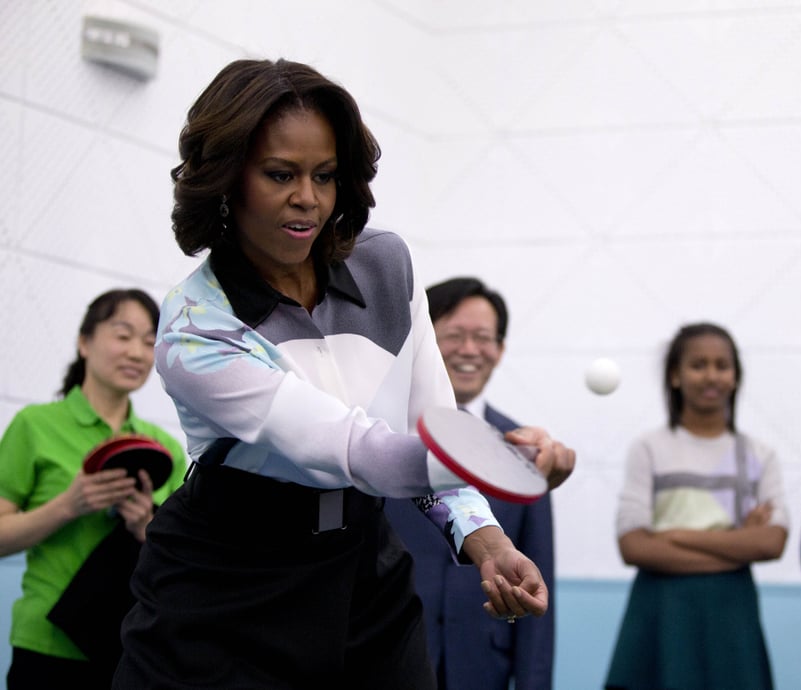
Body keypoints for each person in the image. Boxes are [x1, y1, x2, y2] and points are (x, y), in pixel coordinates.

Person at [112, 58, 575, 689]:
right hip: (227, 586)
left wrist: (487, 539)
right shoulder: (198, 326)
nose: (308, 198)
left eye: (325, 175)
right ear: (226, 179)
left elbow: (428, 429)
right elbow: (361, 451)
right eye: (281, 175)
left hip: (365, 570)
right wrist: (498, 459)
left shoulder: (386, 264)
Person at [0, 288, 188, 690]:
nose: (137, 353)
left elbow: (182, 564)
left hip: (133, 647)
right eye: (123, 335)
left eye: (148, 341)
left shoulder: (166, 449)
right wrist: (69, 504)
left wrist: (145, 528)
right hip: (46, 647)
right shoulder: (35, 426)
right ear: (84, 343)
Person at [385, 277, 556, 690]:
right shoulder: (379, 437)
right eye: (454, 336)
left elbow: (538, 570)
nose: (469, 350)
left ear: (499, 350)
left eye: (483, 338)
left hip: (482, 668)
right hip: (388, 657)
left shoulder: (524, 447)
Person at [605, 322, 788, 690]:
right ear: (675, 375)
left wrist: (673, 536)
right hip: (661, 614)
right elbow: (633, 546)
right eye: (698, 364)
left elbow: (771, 543)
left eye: (722, 365)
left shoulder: (758, 455)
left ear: (736, 377)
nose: (711, 375)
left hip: (732, 617)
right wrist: (738, 545)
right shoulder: (650, 448)